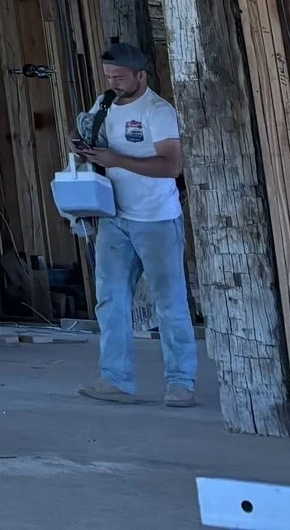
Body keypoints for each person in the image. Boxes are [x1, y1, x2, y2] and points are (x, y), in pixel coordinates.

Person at [74, 40, 194, 407]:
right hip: (115, 217)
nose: (113, 83)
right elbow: (94, 135)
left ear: (141, 75)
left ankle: (181, 382)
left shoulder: (158, 111)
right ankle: (116, 378)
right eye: (109, 76)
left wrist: (116, 159)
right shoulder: (104, 102)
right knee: (110, 299)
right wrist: (83, 146)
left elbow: (172, 167)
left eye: (120, 77)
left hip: (157, 218)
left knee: (169, 302)